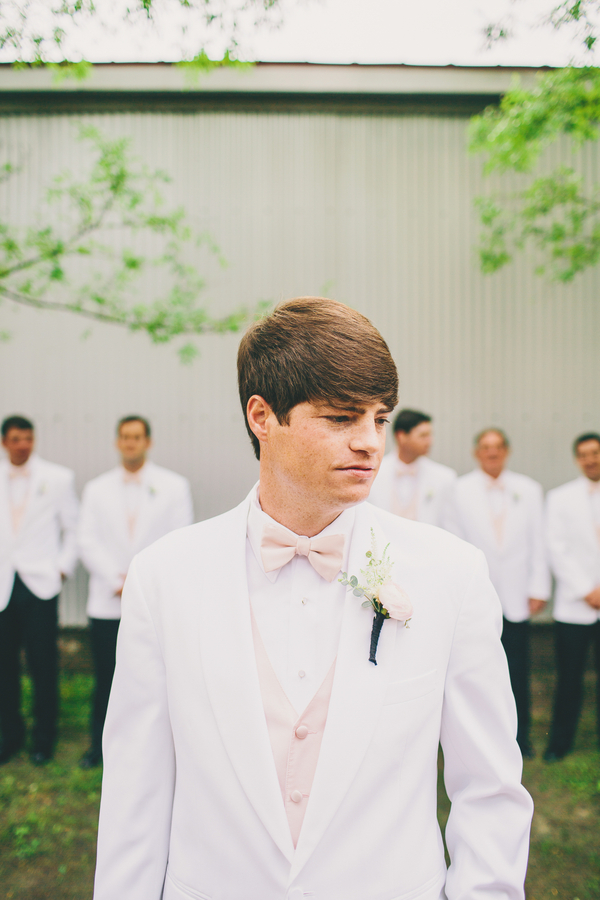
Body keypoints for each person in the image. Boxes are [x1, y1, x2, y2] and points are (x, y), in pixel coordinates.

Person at [94, 298, 532, 900]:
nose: (370, 443)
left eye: (379, 419)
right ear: (262, 416)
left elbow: (490, 790)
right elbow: (133, 797)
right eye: (341, 418)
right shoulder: (163, 578)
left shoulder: (451, 575)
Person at [77, 415, 194, 768]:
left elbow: (179, 537)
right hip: (107, 601)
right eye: (125, 437)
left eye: (137, 437)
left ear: (148, 442)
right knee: (106, 675)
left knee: (155, 677)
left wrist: (140, 581)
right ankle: (98, 747)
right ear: (117, 442)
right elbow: (87, 540)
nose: (131, 443)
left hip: (154, 600)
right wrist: (117, 581)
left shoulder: (174, 486)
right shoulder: (96, 489)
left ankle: (152, 749)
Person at [443, 428, 550, 759]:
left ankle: (521, 739)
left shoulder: (528, 490)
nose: (492, 453)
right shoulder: (458, 490)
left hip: (518, 597)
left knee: (518, 670)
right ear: (477, 453)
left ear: (507, 451)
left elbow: (538, 541)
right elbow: (453, 541)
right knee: (475, 671)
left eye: (497, 447)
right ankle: (479, 742)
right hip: (478, 597)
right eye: (485, 448)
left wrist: (538, 586)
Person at [0, 415, 79, 765]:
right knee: (4, 667)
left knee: (43, 664)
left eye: (28, 438)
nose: (23, 445)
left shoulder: (57, 478)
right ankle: (10, 734)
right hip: (2, 585)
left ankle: (44, 738)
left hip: (40, 586)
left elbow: (74, 528)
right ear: (5, 442)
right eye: (16, 439)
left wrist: (61, 569)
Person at [544, 432, 600, 761]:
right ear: (577, 459)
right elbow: (556, 548)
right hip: (574, 607)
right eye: (584, 455)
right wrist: (586, 590)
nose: (590, 459)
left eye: (595, 453)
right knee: (569, 679)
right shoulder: (560, 498)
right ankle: (559, 744)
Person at [369, 408, 456, 525]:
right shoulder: (371, 472)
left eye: (430, 435)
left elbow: (450, 524)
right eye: (423, 435)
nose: (430, 441)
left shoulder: (445, 477)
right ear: (401, 436)